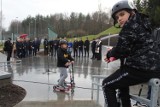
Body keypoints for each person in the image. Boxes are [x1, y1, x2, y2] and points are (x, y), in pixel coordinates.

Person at [102, 1, 160, 107]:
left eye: (122, 14)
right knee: (122, 86)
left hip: (140, 69)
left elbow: (121, 50)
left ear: (132, 12)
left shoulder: (129, 26)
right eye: (117, 17)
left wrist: (109, 54)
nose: (119, 19)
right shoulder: (143, 23)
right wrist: (115, 55)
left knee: (107, 85)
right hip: (154, 69)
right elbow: (132, 48)